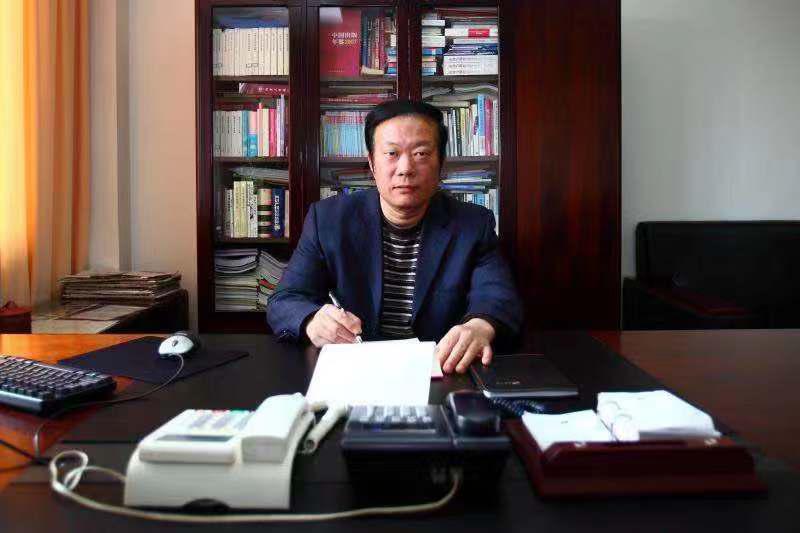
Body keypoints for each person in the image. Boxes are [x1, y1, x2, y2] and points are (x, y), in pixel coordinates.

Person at [267, 100, 522, 374]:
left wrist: (480, 326)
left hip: (440, 371)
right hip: (356, 371)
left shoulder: (473, 224)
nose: (405, 168)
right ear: (372, 164)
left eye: (421, 153)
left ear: (441, 164)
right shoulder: (329, 220)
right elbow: (285, 300)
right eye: (391, 153)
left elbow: (498, 296)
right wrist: (312, 321)